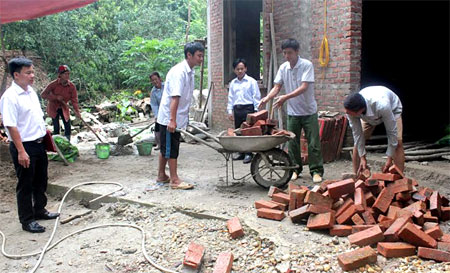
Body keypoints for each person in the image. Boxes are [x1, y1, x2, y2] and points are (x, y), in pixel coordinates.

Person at [0, 57, 59, 233]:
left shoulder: (30, 91)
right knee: (25, 183)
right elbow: (11, 125)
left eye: (33, 71)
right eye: (28, 72)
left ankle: (39, 210)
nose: (32, 75)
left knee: (41, 180)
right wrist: (21, 151)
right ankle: (27, 220)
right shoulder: (10, 97)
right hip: (24, 146)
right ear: (16, 75)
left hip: (39, 143)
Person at [259, 38, 324, 183]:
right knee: (293, 143)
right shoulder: (283, 68)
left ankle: (316, 171)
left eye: (289, 53)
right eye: (285, 53)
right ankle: (295, 169)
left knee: (313, 143)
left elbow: (304, 87)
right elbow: (277, 87)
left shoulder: (306, 65)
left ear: (297, 52)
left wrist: (285, 98)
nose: (287, 56)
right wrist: (267, 98)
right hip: (293, 112)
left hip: (308, 111)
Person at [156, 42, 204, 190]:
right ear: (189, 55)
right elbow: (174, 98)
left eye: (202, 56)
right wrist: (172, 120)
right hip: (170, 118)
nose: (201, 59)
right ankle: (175, 180)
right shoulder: (179, 72)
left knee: (166, 147)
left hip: (177, 117)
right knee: (171, 148)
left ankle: (161, 175)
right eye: (199, 56)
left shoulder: (190, 71)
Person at [344, 86, 404, 175]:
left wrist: (389, 158)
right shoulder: (350, 111)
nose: (346, 113)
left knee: (398, 143)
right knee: (357, 143)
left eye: (348, 112)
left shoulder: (382, 105)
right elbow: (357, 134)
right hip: (366, 116)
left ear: (358, 110)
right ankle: (356, 177)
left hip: (392, 110)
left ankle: (399, 180)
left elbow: (391, 132)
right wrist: (362, 158)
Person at [227, 58, 261, 164]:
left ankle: (249, 153)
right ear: (234, 70)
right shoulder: (233, 83)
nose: (240, 71)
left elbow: (256, 96)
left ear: (245, 69)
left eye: (242, 68)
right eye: (238, 69)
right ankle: (241, 152)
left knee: (248, 131)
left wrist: (256, 111)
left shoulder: (251, 82)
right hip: (238, 109)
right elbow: (231, 98)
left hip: (248, 109)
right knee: (239, 131)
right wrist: (230, 111)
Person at [41, 65, 81, 141]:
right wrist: (55, 97)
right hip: (53, 107)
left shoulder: (71, 86)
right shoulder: (53, 84)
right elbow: (43, 95)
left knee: (67, 125)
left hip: (64, 107)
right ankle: (57, 145)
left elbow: (74, 100)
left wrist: (77, 111)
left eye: (68, 74)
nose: (67, 76)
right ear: (60, 75)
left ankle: (67, 143)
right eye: (65, 74)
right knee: (56, 127)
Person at [149, 72, 164, 150]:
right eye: (153, 80)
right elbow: (154, 104)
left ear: (159, 79)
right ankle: (159, 144)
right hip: (160, 111)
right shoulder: (153, 92)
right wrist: (157, 115)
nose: (155, 81)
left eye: (156, 79)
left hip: (169, 109)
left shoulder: (166, 86)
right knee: (157, 127)